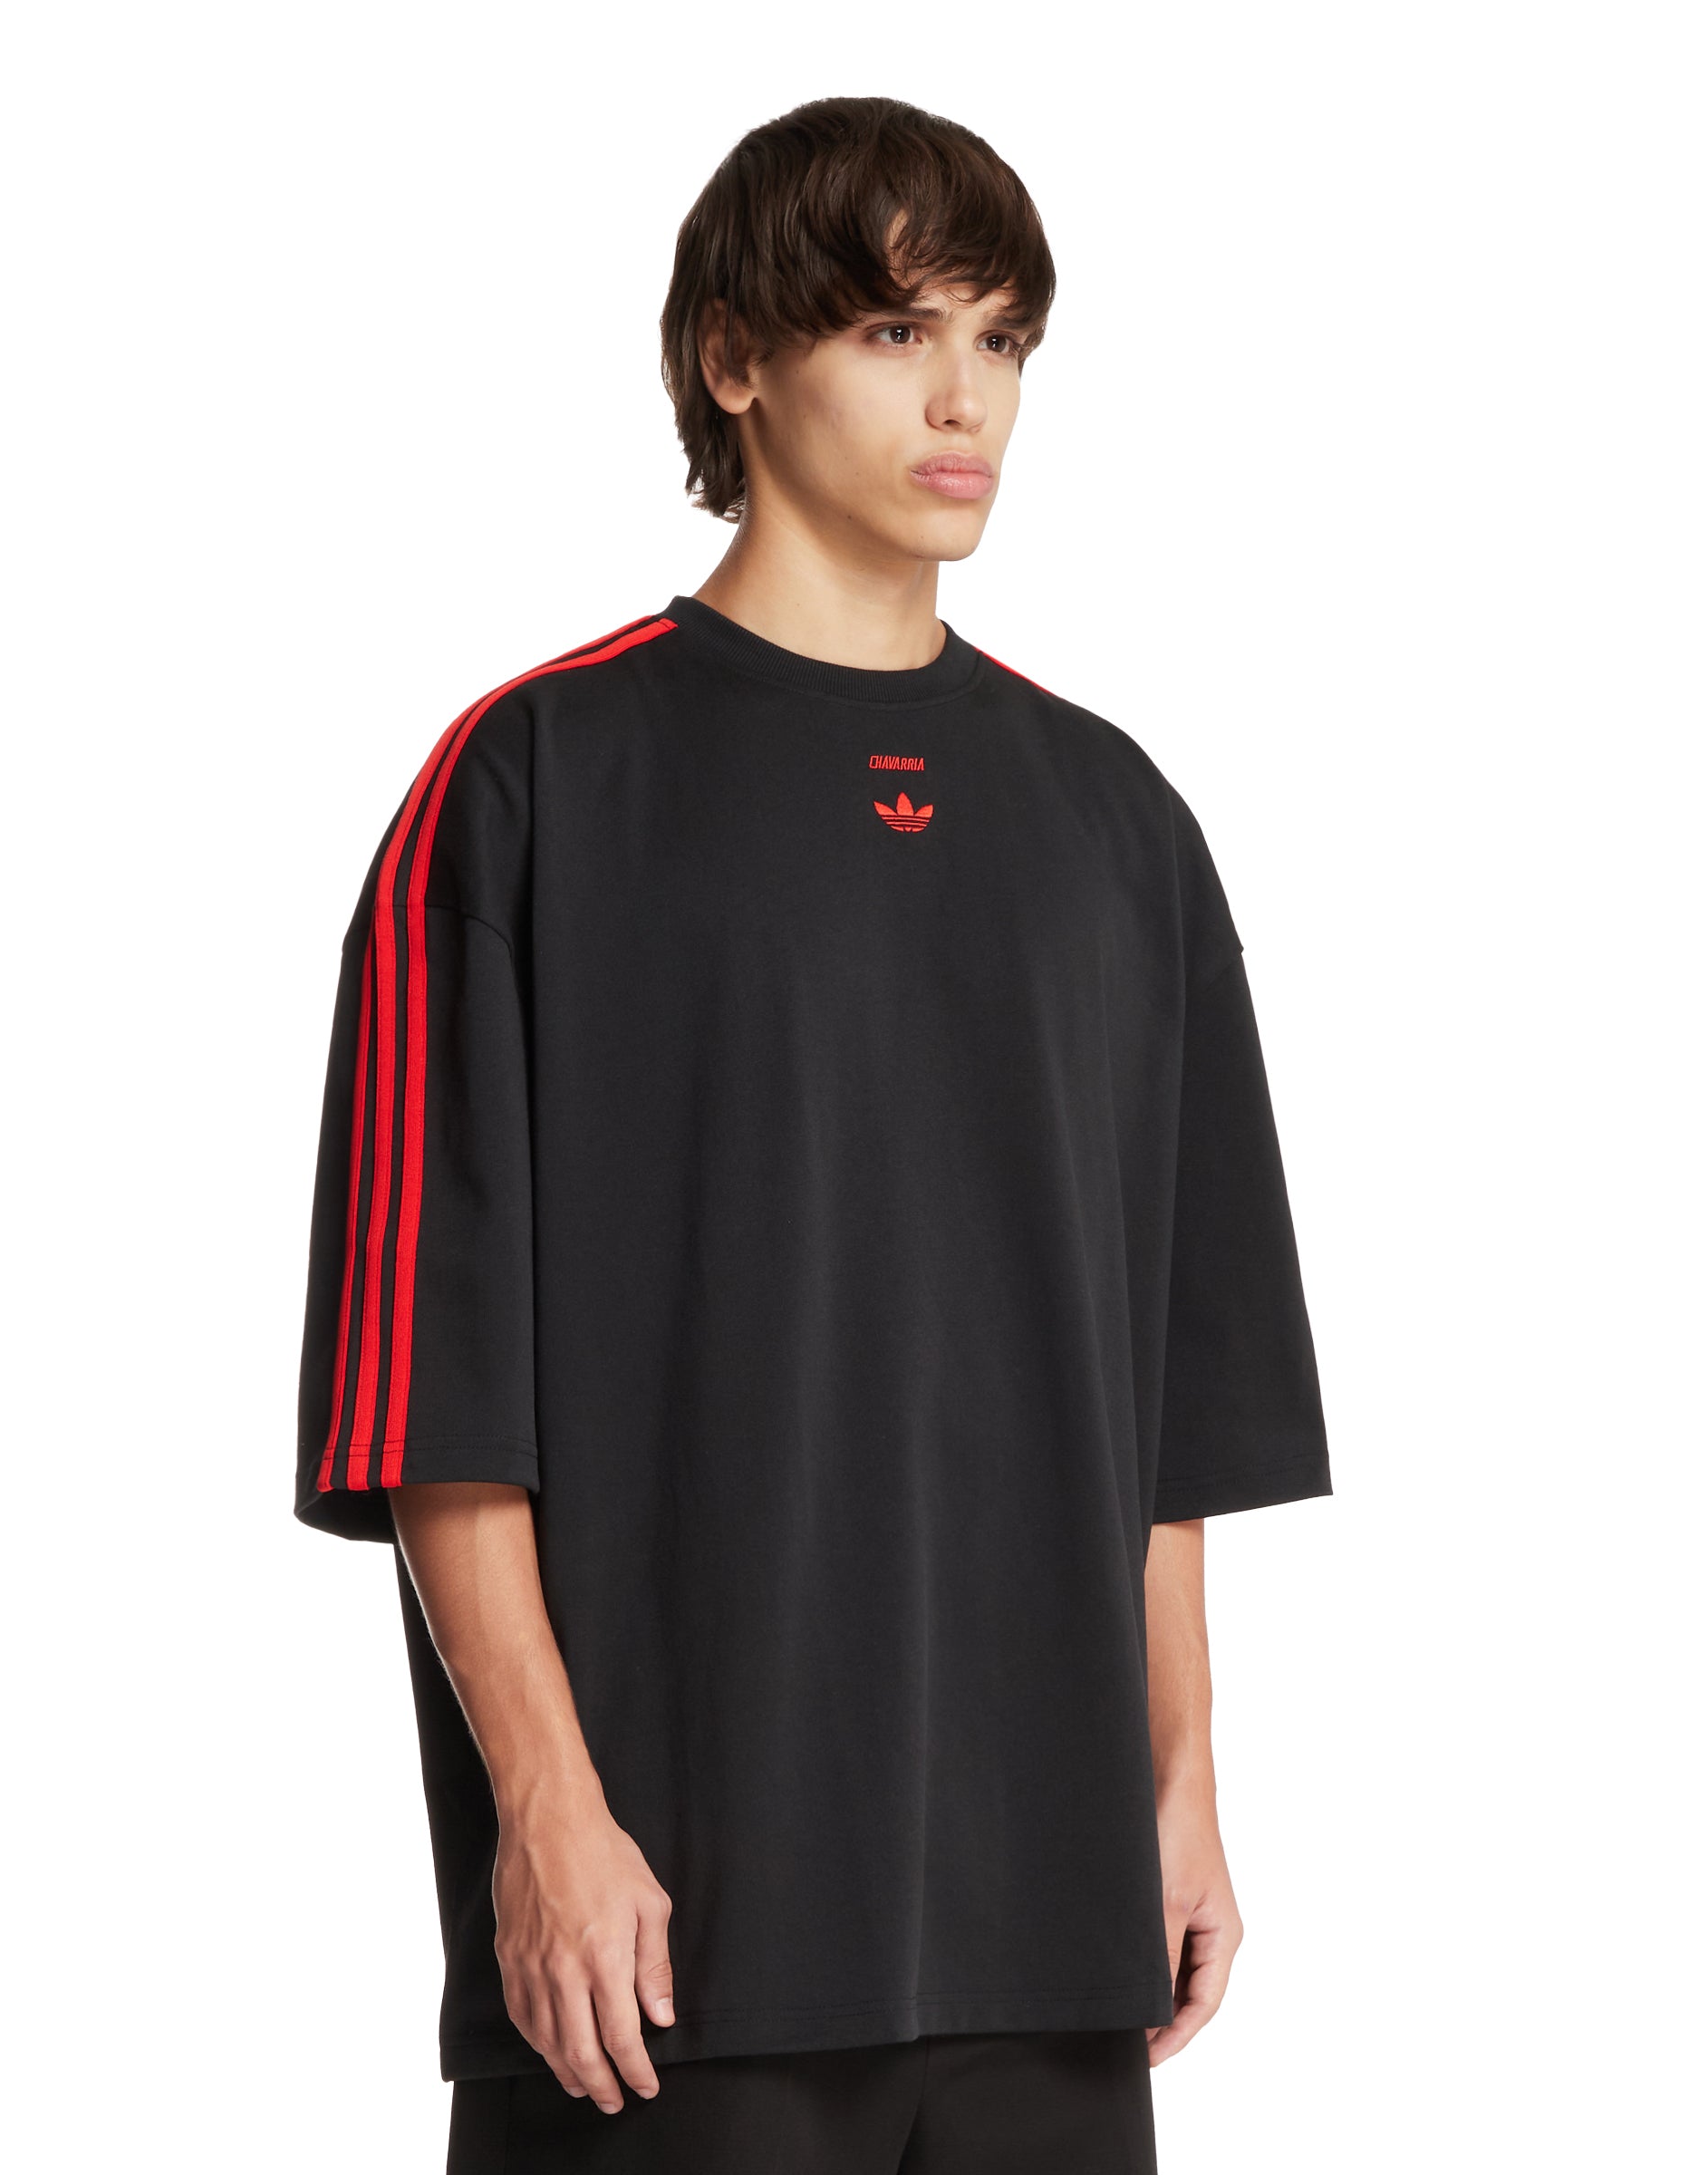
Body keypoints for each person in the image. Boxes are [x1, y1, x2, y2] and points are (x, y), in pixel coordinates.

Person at [294, 94, 1331, 2175]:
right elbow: (427, 1384)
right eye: (896, 331)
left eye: (1003, 340)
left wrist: (1180, 1783)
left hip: (1051, 1947)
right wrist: (548, 1818)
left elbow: (1165, 1395)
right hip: (669, 1956)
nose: (968, 400)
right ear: (735, 358)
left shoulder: (1117, 824)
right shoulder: (533, 784)